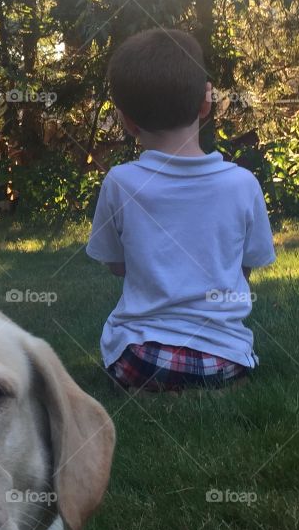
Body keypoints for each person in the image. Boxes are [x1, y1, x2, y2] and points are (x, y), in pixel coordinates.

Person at [87, 28, 275, 392]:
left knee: (126, 346)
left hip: (137, 360)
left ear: (126, 120)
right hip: (224, 359)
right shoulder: (243, 184)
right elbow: (248, 265)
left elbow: (115, 265)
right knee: (223, 360)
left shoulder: (120, 182)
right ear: (206, 104)